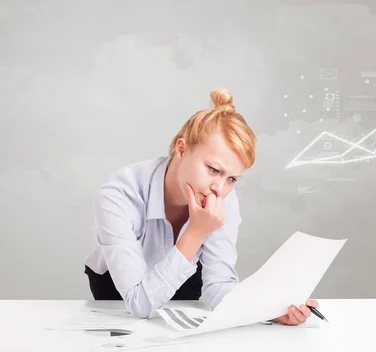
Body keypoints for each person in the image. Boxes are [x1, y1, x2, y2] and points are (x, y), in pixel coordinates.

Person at [84, 87, 318, 324]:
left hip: (183, 291)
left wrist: (270, 310)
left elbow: (219, 286)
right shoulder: (118, 195)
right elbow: (139, 304)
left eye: (232, 179)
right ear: (182, 149)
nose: (219, 188)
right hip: (117, 298)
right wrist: (197, 231)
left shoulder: (223, 196)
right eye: (213, 169)